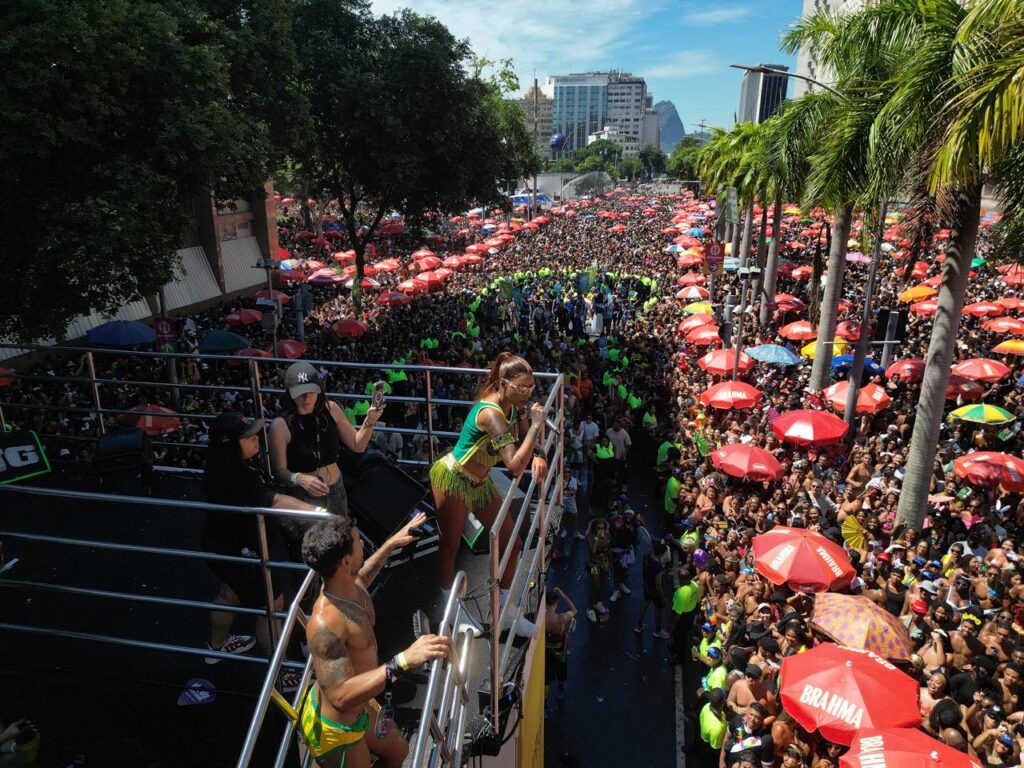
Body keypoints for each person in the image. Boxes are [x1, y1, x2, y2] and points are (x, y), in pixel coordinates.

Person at [299, 514, 450, 768]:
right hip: (338, 729)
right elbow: (339, 696)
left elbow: (364, 575)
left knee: (398, 752)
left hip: (362, 705)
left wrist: (391, 544)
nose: (364, 545)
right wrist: (402, 661)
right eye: (359, 542)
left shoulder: (349, 585)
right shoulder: (325, 623)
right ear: (346, 562)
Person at [202, 412, 323, 684]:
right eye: (248, 436)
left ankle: (216, 649)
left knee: (229, 593)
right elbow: (275, 501)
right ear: (230, 443)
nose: (256, 437)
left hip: (222, 546)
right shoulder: (236, 476)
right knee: (273, 607)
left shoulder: (223, 463)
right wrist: (320, 512)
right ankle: (279, 673)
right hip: (247, 551)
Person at [428, 352, 547, 627]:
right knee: (450, 545)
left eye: (531, 387)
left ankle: (504, 611)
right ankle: (451, 611)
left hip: (480, 483)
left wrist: (539, 451)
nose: (527, 394)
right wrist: (537, 427)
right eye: (521, 388)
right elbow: (515, 466)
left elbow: (526, 433)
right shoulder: (492, 416)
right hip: (453, 479)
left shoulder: (514, 406)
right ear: (504, 383)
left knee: (512, 542)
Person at [270, 362, 383, 554]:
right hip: (305, 497)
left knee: (341, 545)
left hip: (336, 489)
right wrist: (299, 478)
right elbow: (278, 471)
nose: (307, 397)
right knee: (315, 551)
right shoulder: (280, 426)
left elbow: (358, 445)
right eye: (300, 392)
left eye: (311, 391)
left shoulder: (331, 409)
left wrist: (369, 422)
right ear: (289, 392)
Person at [545, 587, 577, 711]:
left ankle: (545, 708)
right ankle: (560, 689)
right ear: (556, 603)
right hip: (559, 651)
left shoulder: (541, 616)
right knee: (561, 671)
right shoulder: (561, 618)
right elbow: (574, 610)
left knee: (546, 680)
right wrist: (563, 595)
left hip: (546, 650)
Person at [635, 541, 672, 638]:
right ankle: (658, 631)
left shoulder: (646, 557)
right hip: (655, 592)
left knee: (645, 604)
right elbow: (658, 586)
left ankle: (639, 626)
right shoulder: (658, 569)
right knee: (659, 610)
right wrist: (663, 597)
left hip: (647, 586)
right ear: (661, 553)